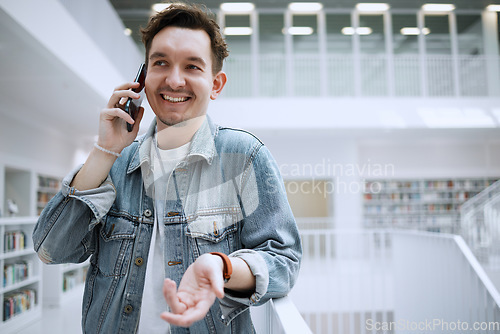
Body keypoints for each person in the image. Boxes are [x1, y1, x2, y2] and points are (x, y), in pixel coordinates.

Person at [33, 3, 301, 333]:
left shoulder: (245, 157)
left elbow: (283, 260)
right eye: (161, 63)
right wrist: (105, 152)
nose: (174, 81)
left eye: (192, 66)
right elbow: (51, 250)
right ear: (143, 79)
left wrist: (223, 266)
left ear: (216, 84)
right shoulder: (114, 165)